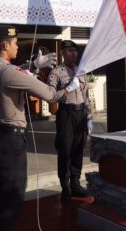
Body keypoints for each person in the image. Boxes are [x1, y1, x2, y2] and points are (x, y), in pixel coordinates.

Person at [0, 24, 58, 231]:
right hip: (10, 144)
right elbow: (51, 95)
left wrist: (33, 64)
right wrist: (57, 78)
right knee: (11, 203)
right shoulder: (8, 72)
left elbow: (16, 72)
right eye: (15, 43)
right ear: (5, 45)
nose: (18, 46)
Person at [47, 40, 92, 203]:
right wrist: (66, 89)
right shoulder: (56, 72)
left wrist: (89, 116)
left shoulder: (82, 72)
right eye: (69, 50)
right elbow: (51, 96)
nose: (73, 53)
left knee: (78, 150)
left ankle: (75, 183)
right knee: (65, 150)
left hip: (81, 113)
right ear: (63, 53)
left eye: (75, 51)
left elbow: (86, 95)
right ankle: (65, 186)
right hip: (66, 114)